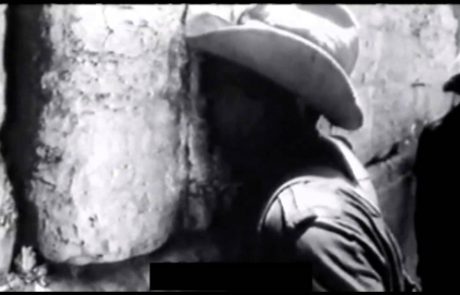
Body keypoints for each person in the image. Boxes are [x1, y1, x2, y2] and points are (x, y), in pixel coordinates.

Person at [186, 4, 420, 292]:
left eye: (222, 85)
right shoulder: (304, 183)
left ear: (274, 103)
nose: (206, 101)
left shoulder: (307, 230)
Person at [414, 72, 460, 291]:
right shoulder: (436, 134)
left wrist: (426, 260)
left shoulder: (435, 134)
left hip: (439, 257)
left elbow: (423, 207)